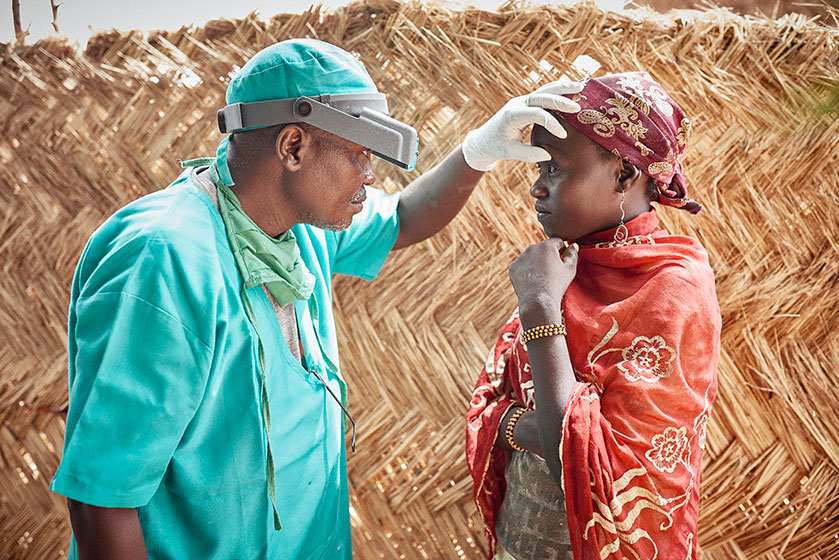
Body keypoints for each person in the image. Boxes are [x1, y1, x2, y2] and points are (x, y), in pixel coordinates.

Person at [49, 39, 585, 560]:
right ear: (293, 147)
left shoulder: (302, 225)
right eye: (358, 155)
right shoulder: (164, 260)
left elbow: (403, 217)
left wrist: (480, 150)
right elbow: (103, 498)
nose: (370, 176)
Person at [466, 72, 721, 560]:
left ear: (624, 175)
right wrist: (539, 427)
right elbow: (489, 407)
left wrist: (540, 308)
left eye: (554, 170)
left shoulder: (673, 289)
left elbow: (588, 470)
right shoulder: (569, 265)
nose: (537, 189)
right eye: (538, 171)